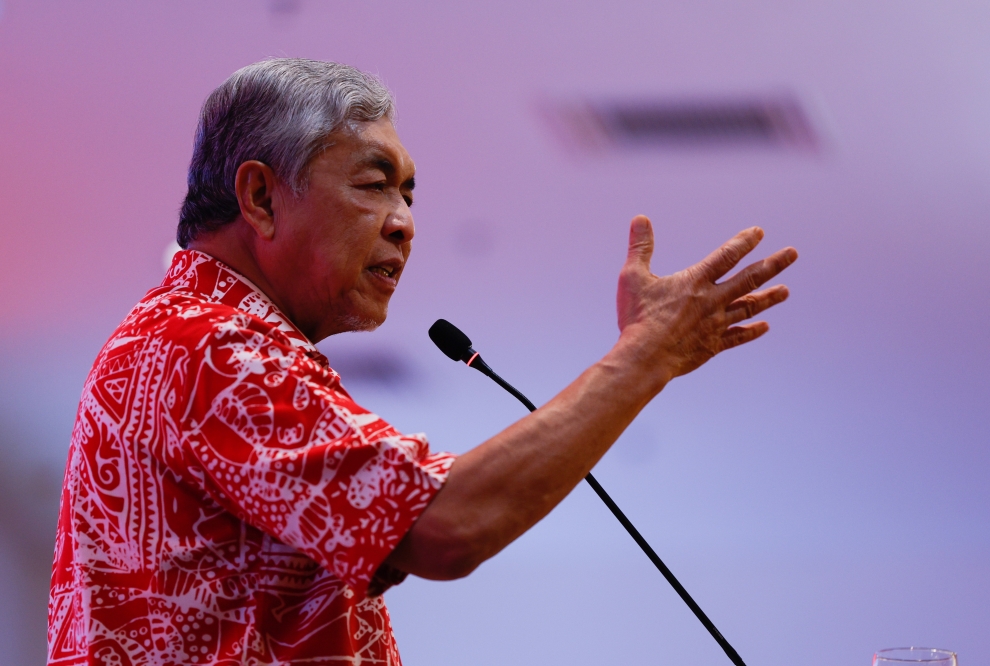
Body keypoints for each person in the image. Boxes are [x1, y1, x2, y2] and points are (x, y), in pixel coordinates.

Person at [47, 58, 797, 666]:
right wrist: (646, 356)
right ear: (261, 196)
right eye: (374, 185)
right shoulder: (208, 343)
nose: (406, 224)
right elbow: (442, 526)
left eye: (409, 194)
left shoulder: (180, 337)